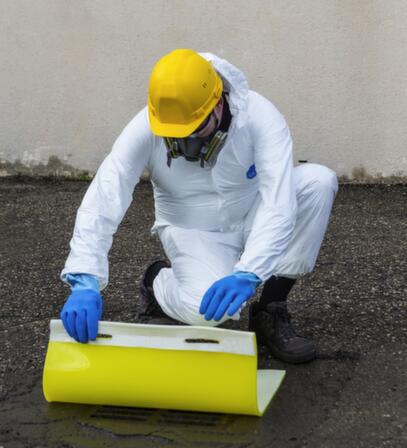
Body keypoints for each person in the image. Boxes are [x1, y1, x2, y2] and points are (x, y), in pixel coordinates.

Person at [60, 49, 338, 363]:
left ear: (218, 104)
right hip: (192, 229)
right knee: (206, 313)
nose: (186, 143)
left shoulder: (259, 116)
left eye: (196, 129)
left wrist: (250, 274)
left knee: (318, 182)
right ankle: (156, 282)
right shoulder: (146, 125)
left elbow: (278, 202)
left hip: (252, 212)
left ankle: (271, 310)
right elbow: (105, 196)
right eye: (175, 135)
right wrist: (85, 279)